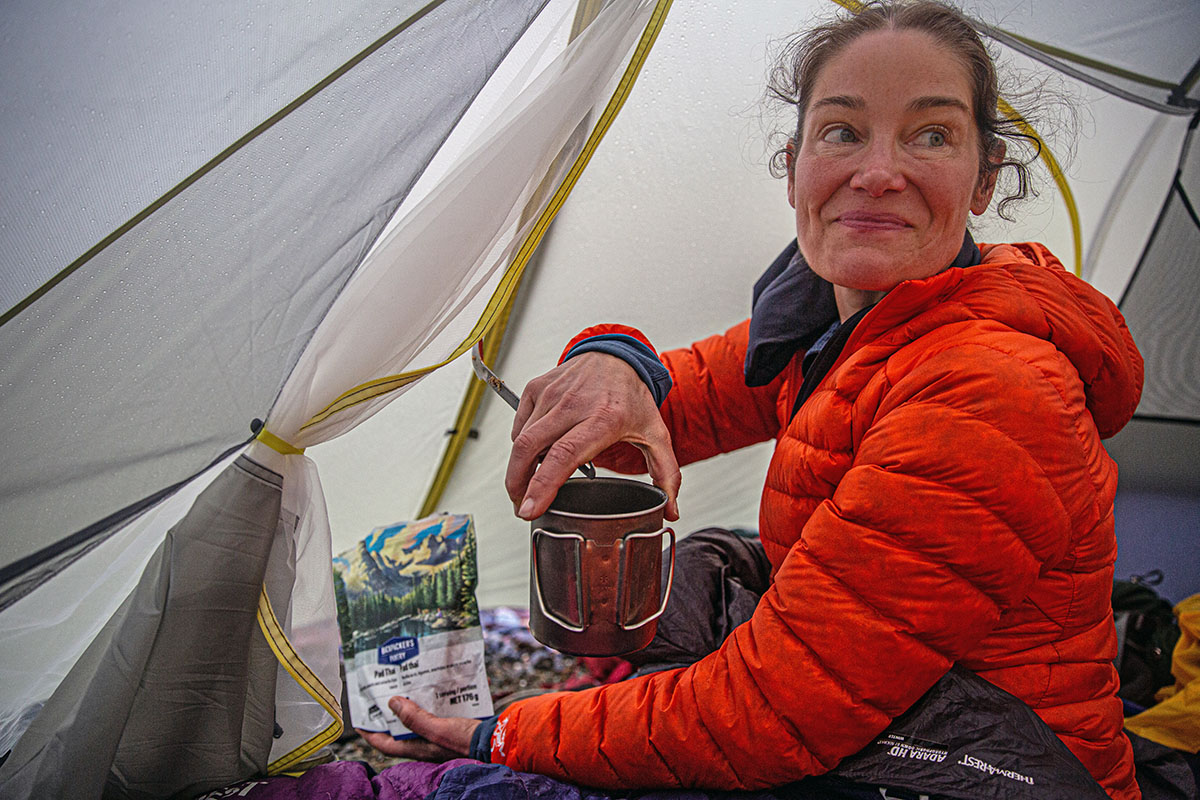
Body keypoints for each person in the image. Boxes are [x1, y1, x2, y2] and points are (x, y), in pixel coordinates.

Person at [362, 1, 1144, 797]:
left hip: (991, 769)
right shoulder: (833, 321)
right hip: (886, 723)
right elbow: (676, 395)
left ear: (983, 181)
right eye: (842, 132)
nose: (877, 171)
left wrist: (497, 734)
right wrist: (608, 359)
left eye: (931, 135)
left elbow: (766, 715)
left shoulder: (988, 388)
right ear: (795, 165)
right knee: (710, 567)